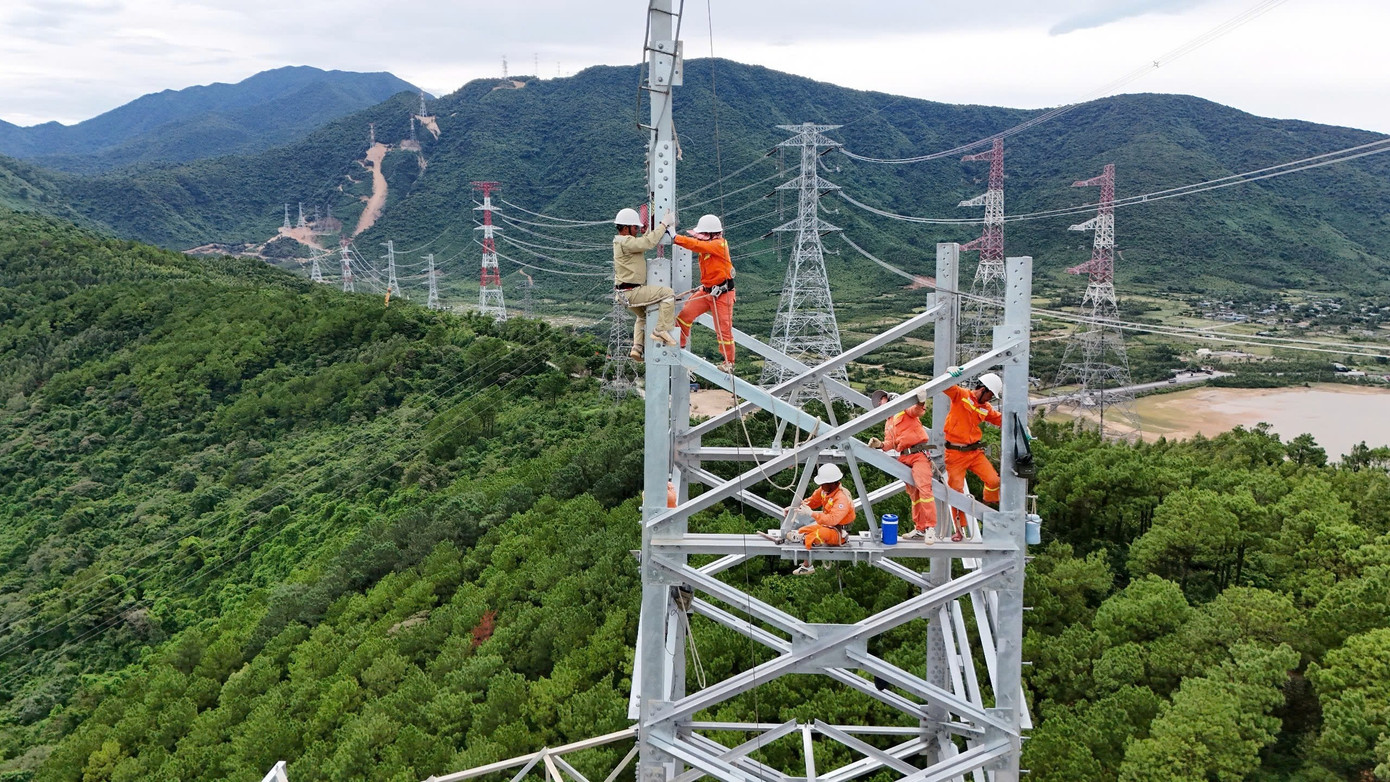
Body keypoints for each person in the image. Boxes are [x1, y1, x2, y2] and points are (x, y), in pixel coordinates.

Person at [867, 388, 938, 542]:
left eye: (883, 400)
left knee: (924, 489)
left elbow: (916, 411)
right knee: (914, 494)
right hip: (905, 456)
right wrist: (880, 445)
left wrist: (920, 401)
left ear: (891, 398)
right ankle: (920, 528)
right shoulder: (889, 422)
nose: (881, 403)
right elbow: (891, 443)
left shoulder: (903, 408)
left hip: (918, 454)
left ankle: (930, 527)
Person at [941, 369, 1004, 541]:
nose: (990, 399)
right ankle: (960, 530)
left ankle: (989, 505)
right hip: (954, 454)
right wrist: (948, 372)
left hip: (975, 453)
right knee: (956, 492)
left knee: (993, 480)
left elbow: (999, 419)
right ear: (983, 389)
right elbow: (944, 386)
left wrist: (1021, 426)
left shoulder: (986, 408)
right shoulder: (960, 395)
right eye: (990, 395)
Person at [613, 207, 678, 361]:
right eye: (635, 228)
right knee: (668, 294)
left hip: (624, 293)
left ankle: (637, 347)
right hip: (632, 291)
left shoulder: (622, 241)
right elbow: (648, 243)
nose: (637, 231)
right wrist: (663, 225)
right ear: (626, 228)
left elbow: (644, 241)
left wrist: (650, 229)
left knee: (642, 316)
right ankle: (661, 329)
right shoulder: (626, 241)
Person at [673, 214, 736, 372]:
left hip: (722, 294)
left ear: (711, 235)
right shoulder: (708, 245)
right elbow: (698, 245)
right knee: (685, 315)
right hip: (707, 291)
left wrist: (675, 237)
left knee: (723, 329)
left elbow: (695, 245)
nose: (699, 239)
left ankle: (729, 362)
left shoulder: (719, 245)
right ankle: (679, 343)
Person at [784, 464, 856, 575]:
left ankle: (805, 545)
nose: (821, 486)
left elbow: (832, 520)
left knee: (818, 534)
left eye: (823, 483)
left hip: (839, 533)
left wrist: (811, 514)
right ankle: (806, 561)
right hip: (828, 526)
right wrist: (794, 508)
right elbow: (812, 501)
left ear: (832, 483)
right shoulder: (825, 491)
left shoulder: (841, 499)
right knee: (805, 529)